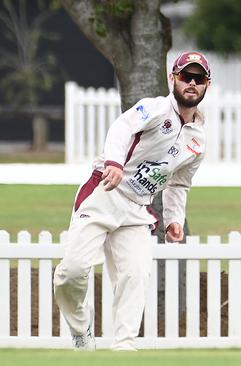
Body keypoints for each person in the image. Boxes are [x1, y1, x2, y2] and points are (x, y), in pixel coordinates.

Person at [53, 51, 211, 351]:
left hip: (138, 208)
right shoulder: (154, 108)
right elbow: (122, 128)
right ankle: (80, 329)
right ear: (172, 79)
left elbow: (179, 182)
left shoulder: (198, 141)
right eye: (185, 76)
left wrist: (174, 219)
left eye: (199, 78)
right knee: (71, 273)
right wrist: (113, 161)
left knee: (136, 275)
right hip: (104, 192)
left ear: (207, 85)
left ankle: (124, 347)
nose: (192, 83)